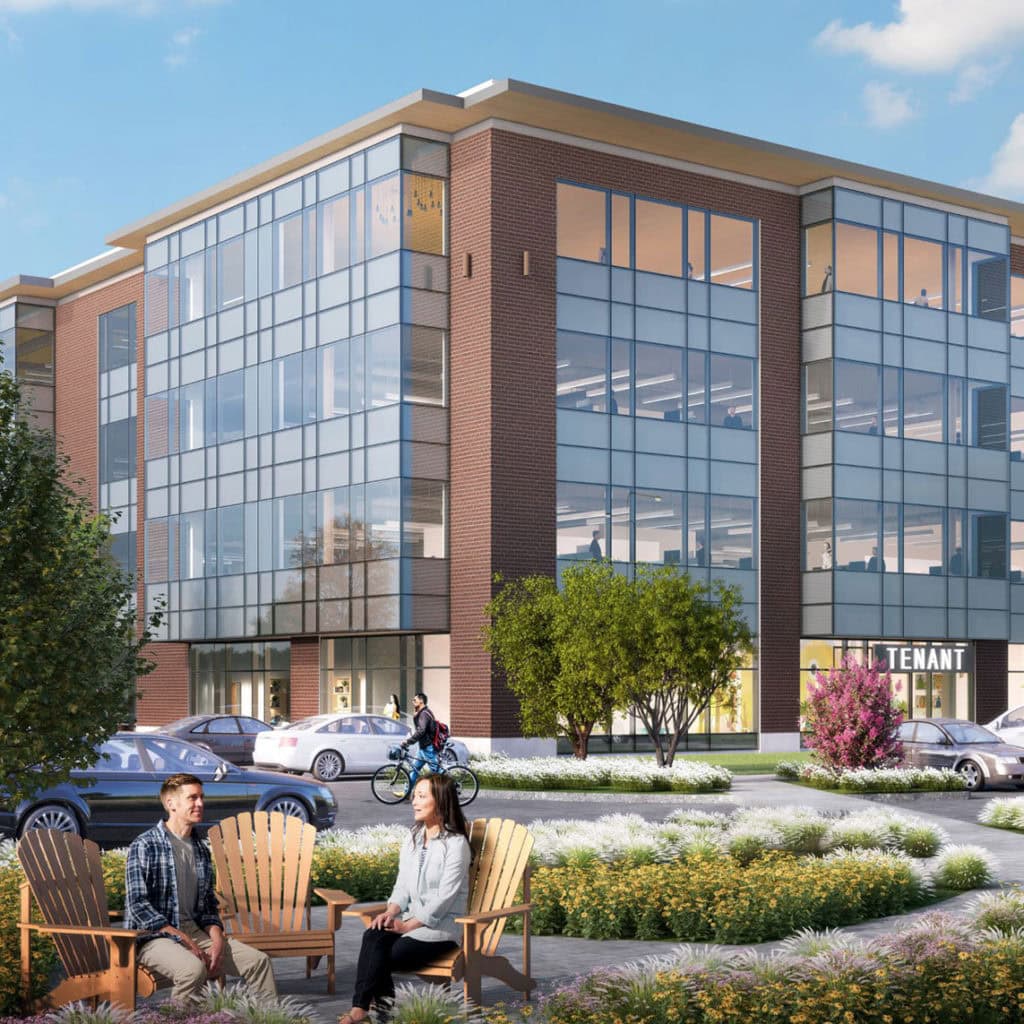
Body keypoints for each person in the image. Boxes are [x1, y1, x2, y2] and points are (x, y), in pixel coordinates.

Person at [125, 773, 277, 1004]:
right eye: (192, 798)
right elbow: (138, 905)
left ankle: (272, 1018)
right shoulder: (145, 845)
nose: (200, 804)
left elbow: (207, 905)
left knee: (259, 961)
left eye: (202, 797)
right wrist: (184, 939)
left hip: (194, 932)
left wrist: (217, 941)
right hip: (153, 937)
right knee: (193, 970)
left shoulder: (200, 849)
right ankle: (178, 1020)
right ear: (171, 804)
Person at [338, 774, 471, 1024]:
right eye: (414, 796)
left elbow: (445, 897)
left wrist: (406, 925)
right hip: (410, 923)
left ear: (441, 801)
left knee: (384, 954)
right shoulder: (412, 839)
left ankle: (377, 1009)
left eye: (422, 796)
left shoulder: (456, 845)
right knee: (373, 934)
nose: (414, 801)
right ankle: (362, 1008)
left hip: (440, 930)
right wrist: (391, 912)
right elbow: (402, 885)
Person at [401, 692, 439, 786]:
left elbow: (421, 730)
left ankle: (450, 788)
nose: (412, 702)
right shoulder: (422, 713)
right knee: (414, 769)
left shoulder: (424, 714)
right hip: (423, 747)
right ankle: (407, 792)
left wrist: (408, 741)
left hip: (427, 747)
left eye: (415, 700)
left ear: (421, 701)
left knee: (436, 771)